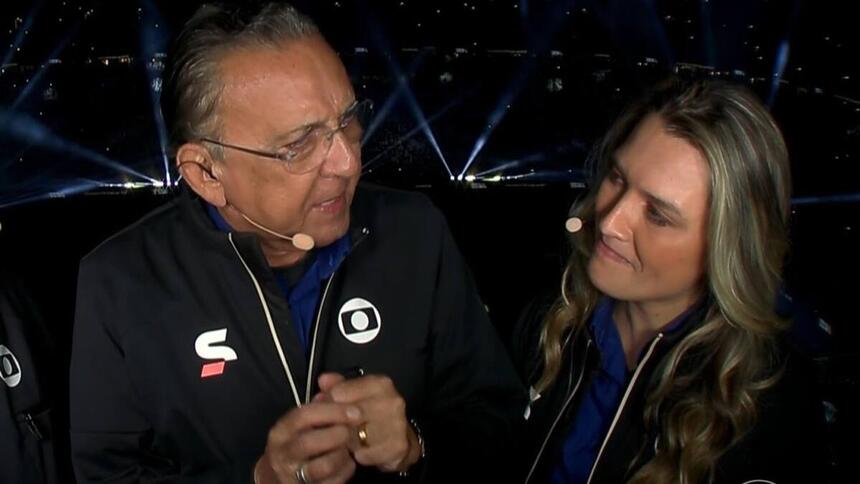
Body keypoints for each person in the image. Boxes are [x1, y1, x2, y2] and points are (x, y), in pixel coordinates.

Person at [69, 3, 523, 483]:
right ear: (205, 173)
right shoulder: (120, 282)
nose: (348, 163)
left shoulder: (416, 233)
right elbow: (108, 475)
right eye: (300, 145)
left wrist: (415, 444)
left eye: (348, 120)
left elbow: (501, 424)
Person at [511, 78, 828, 483]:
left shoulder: (769, 405)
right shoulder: (548, 320)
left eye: (658, 215)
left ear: (725, 247)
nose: (610, 222)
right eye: (617, 178)